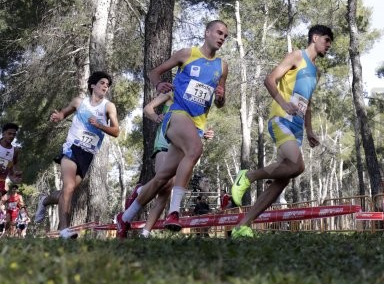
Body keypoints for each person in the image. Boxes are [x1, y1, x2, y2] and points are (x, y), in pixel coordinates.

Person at [116, 19, 228, 237]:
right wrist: (158, 85)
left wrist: (221, 98)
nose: (222, 38)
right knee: (195, 150)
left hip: (197, 124)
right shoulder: (186, 54)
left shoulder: (222, 67)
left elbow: (220, 101)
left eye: (225, 36)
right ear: (206, 33)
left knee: (162, 180)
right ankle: (174, 212)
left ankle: (126, 217)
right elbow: (154, 73)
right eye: (219, 33)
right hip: (176, 115)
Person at [229, 24, 333, 239]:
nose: (329, 45)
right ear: (315, 38)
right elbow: (269, 79)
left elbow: (308, 102)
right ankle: (247, 176)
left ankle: (243, 225)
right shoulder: (297, 56)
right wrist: (283, 103)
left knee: (282, 179)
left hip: (297, 127)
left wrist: (310, 130)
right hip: (281, 119)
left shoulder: (317, 71)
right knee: (297, 165)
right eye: (326, 40)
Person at [34, 71, 120, 240]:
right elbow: (63, 113)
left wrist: (100, 125)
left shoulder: (109, 107)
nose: (105, 86)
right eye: (102, 83)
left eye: (107, 85)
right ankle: (65, 230)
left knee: (67, 191)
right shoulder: (79, 102)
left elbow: (116, 131)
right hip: (72, 148)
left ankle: (44, 200)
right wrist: (58, 116)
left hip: (88, 155)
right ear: (92, 85)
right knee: (69, 187)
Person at [139, 90, 215, 237]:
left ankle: (145, 233)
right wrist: (156, 117)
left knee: (165, 191)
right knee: (164, 183)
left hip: (180, 146)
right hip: (164, 142)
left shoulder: (198, 98)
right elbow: (148, 108)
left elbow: (194, 126)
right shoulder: (173, 92)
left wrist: (204, 133)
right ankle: (139, 194)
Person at [0, 123, 22, 194]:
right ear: (3, 134)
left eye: (14, 134)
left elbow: (10, 170)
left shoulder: (15, 151)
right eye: (9, 133)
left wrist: (14, 178)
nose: (12, 136)